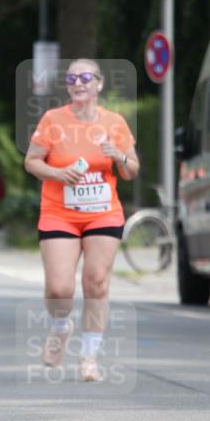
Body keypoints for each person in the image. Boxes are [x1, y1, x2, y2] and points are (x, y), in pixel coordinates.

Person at [24, 58, 139, 381]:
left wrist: (119, 156)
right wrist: (58, 173)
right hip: (59, 213)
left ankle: (89, 356)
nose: (78, 83)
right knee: (59, 289)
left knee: (96, 282)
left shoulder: (114, 122)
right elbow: (32, 162)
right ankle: (61, 326)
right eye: (72, 78)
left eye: (86, 77)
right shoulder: (53, 120)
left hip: (103, 212)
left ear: (99, 84)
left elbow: (132, 171)